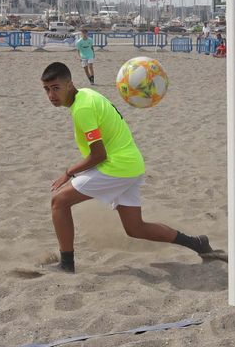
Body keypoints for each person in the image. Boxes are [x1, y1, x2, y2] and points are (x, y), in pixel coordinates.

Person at [40, 61, 217, 273]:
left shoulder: (83, 108)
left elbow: (98, 155)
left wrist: (68, 173)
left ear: (69, 84)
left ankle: (66, 265)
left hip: (116, 167)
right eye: (47, 89)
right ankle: (197, 243)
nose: (51, 95)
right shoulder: (87, 94)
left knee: (59, 202)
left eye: (56, 88)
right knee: (135, 228)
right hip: (131, 164)